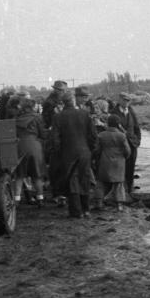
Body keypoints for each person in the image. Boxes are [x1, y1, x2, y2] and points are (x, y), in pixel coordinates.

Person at [51, 90, 98, 218]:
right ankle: (86, 209)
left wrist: (59, 153)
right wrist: (91, 150)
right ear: (73, 101)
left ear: (64, 102)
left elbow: (55, 139)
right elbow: (93, 136)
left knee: (72, 181)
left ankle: (76, 211)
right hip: (85, 152)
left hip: (68, 153)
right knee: (84, 179)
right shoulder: (85, 114)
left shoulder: (58, 117)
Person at [13, 99, 48, 208]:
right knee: (37, 175)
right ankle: (40, 199)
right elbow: (43, 134)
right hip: (34, 146)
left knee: (19, 175)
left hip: (20, 147)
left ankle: (16, 200)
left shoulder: (16, 119)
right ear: (32, 107)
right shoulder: (37, 117)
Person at [93, 114, 131, 212]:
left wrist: (97, 159)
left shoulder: (101, 135)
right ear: (118, 124)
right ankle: (119, 205)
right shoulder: (122, 136)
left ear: (108, 123)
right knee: (119, 184)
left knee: (101, 183)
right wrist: (124, 158)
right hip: (119, 163)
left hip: (105, 161)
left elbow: (96, 150)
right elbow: (127, 151)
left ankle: (99, 203)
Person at [110, 92, 141, 195]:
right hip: (119, 145)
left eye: (128, 101)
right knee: (120, 167)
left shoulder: (131, 111)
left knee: (131, 167)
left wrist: (138, 140)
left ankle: (130, 189)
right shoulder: (113, 112)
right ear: (119, 100)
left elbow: (137, 127)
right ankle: (121, 192)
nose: (126, 102)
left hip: (132, 144)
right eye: (124, 100)